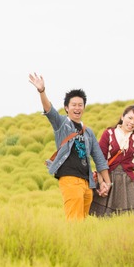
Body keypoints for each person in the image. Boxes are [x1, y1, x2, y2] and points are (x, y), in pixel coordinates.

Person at [27, 73, 111, 220]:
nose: (77, 108)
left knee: (82, 222)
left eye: (80, 105)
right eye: (73, 105)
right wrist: (42, 91)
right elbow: (49, 111)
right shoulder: (62, 124)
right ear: (66, 107)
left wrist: (107, 183)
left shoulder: (88, 132)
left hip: (87, 182)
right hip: (70, 179)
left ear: (84, 107)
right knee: (74, 221)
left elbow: (99, 158)